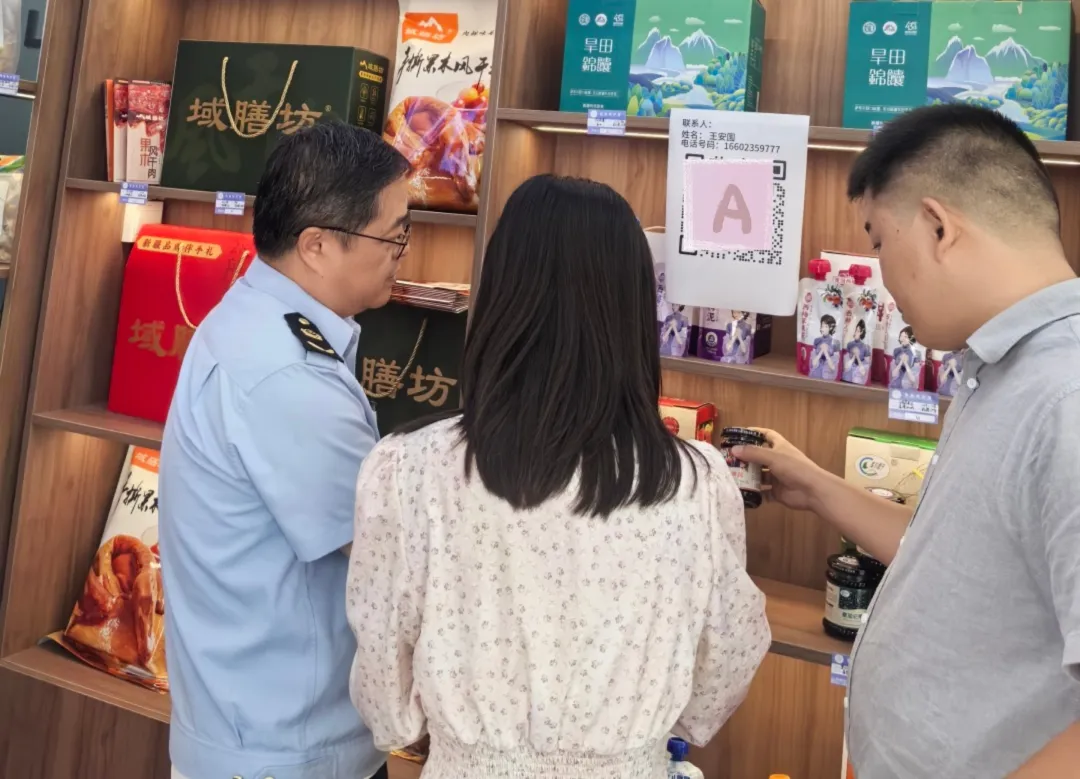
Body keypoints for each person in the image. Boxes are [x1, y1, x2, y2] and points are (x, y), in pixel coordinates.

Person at [345, 175, 771, 778]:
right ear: (633, 308)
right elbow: (728, 658)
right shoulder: (698, 481)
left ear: (501, 294)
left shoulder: (408, 467)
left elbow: (384, 688)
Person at [734, 104, 1080, 777]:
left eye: (878, 243)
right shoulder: (1001, 367)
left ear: (939, 227)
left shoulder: (1065, 396)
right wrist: (817, 486)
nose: (883, 279)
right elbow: (957, 556)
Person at [159, 122, 411, 779]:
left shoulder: (258, 319)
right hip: (286, 751)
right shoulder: (286, 374)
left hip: (260, 730)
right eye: (394, 236)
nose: (401, 253)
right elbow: (390, 547)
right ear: (317, 245)